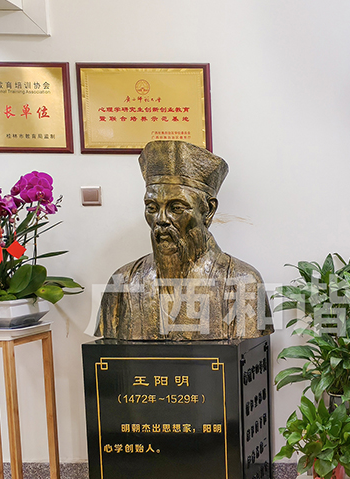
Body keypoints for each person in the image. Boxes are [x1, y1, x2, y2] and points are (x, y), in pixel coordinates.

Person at [96, 140, 273, 340]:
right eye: (152, 208)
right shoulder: (123, 283)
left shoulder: (243, 282)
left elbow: (251, 352)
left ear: (208, 210)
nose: (161, 219)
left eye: (176, 208)